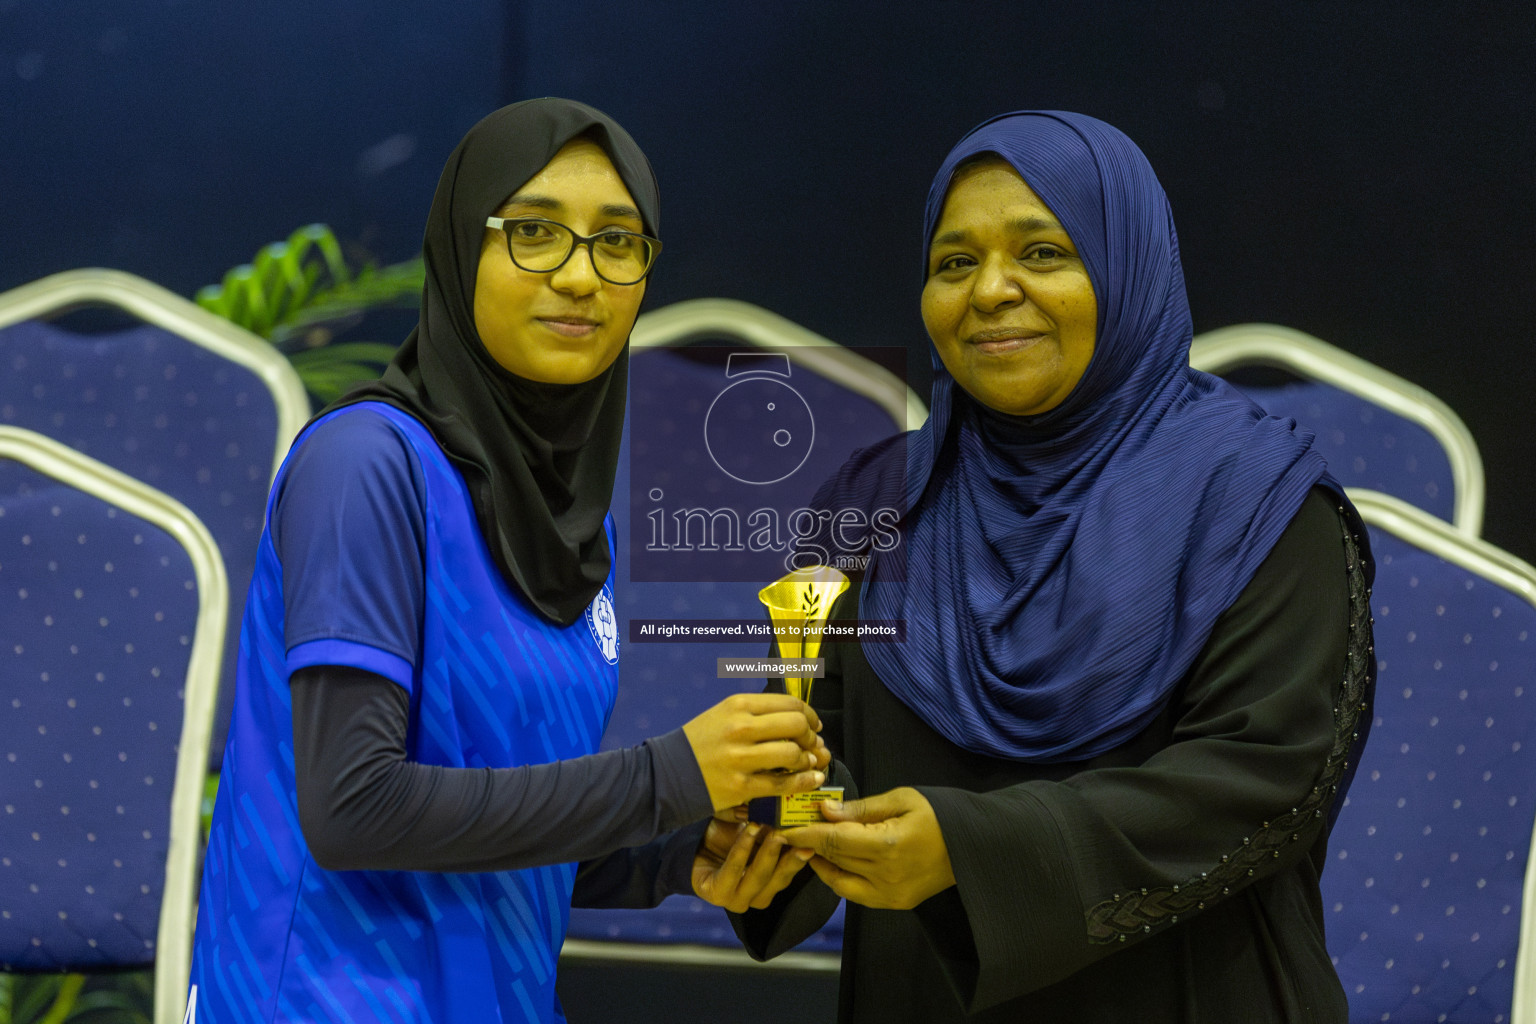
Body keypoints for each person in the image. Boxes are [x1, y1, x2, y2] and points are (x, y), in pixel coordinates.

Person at [186, 98, 824, 1024]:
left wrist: (672, 855)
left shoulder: (573, 522)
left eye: (618, 243)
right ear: (460, 249)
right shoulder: (365, 464)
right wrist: (667, 777)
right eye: (533, 233)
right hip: (325, 1000)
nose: (579, 276)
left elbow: (493, 806)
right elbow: (353, 809)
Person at [731, 111, 1375, 1022]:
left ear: (1129, 272)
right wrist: (766, 831)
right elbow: (809, 753)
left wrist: (968, 851)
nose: (990, 291)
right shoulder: (876, 502)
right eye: (955, 263)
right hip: (924, 991)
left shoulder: (1257, 503)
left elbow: (1266, 778)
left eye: (1043, 253)